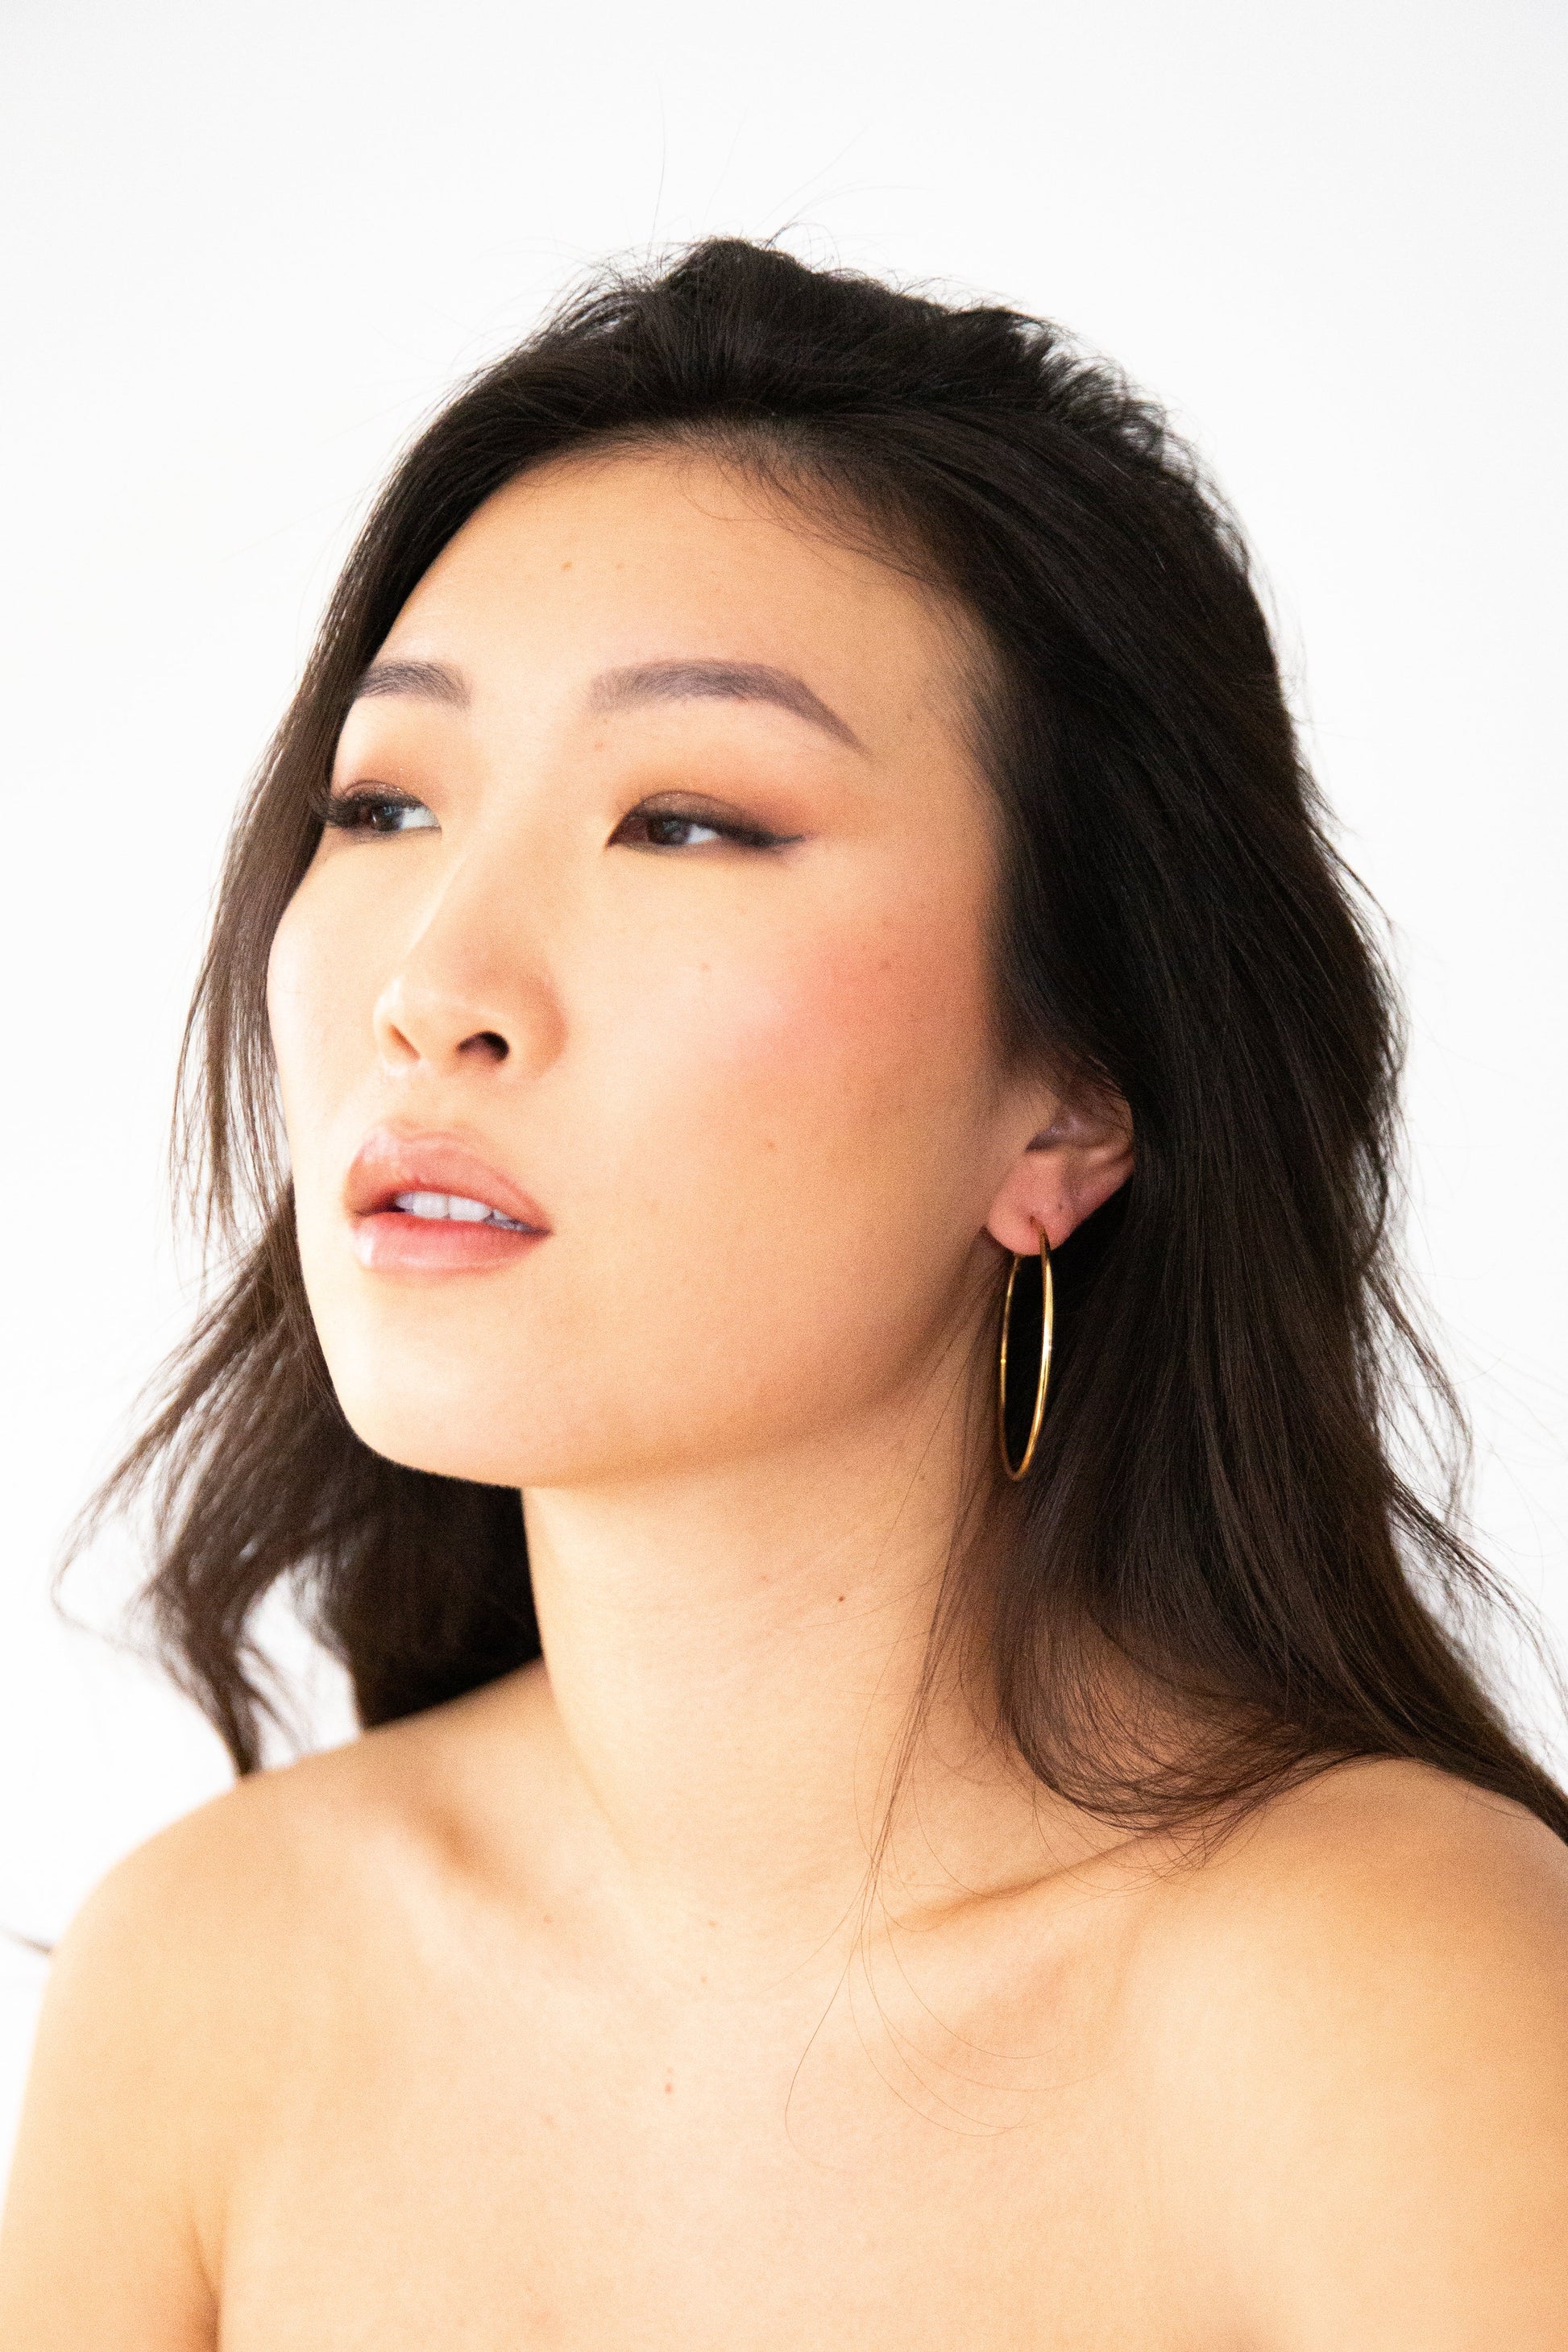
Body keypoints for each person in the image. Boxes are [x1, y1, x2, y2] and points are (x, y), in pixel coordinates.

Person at [2, 238, 1565, 2347]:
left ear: (1072, 1101)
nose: (432, 986)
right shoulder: (210, 1989)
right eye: (382, 804)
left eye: (687, 823)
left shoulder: (1390, 2002)